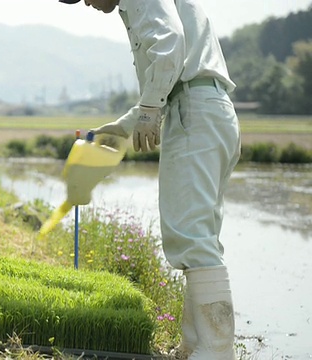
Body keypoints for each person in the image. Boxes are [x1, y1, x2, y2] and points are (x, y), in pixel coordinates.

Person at [57, 0, 241, 359]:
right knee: (198, 236)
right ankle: (195, 346)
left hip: (194, 113)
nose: (89, 4)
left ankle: (217, 351)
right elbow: (173, 71)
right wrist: (125, 126)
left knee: (190, 236)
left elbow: (170, 42)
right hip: (203, 109)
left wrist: (150, 108)